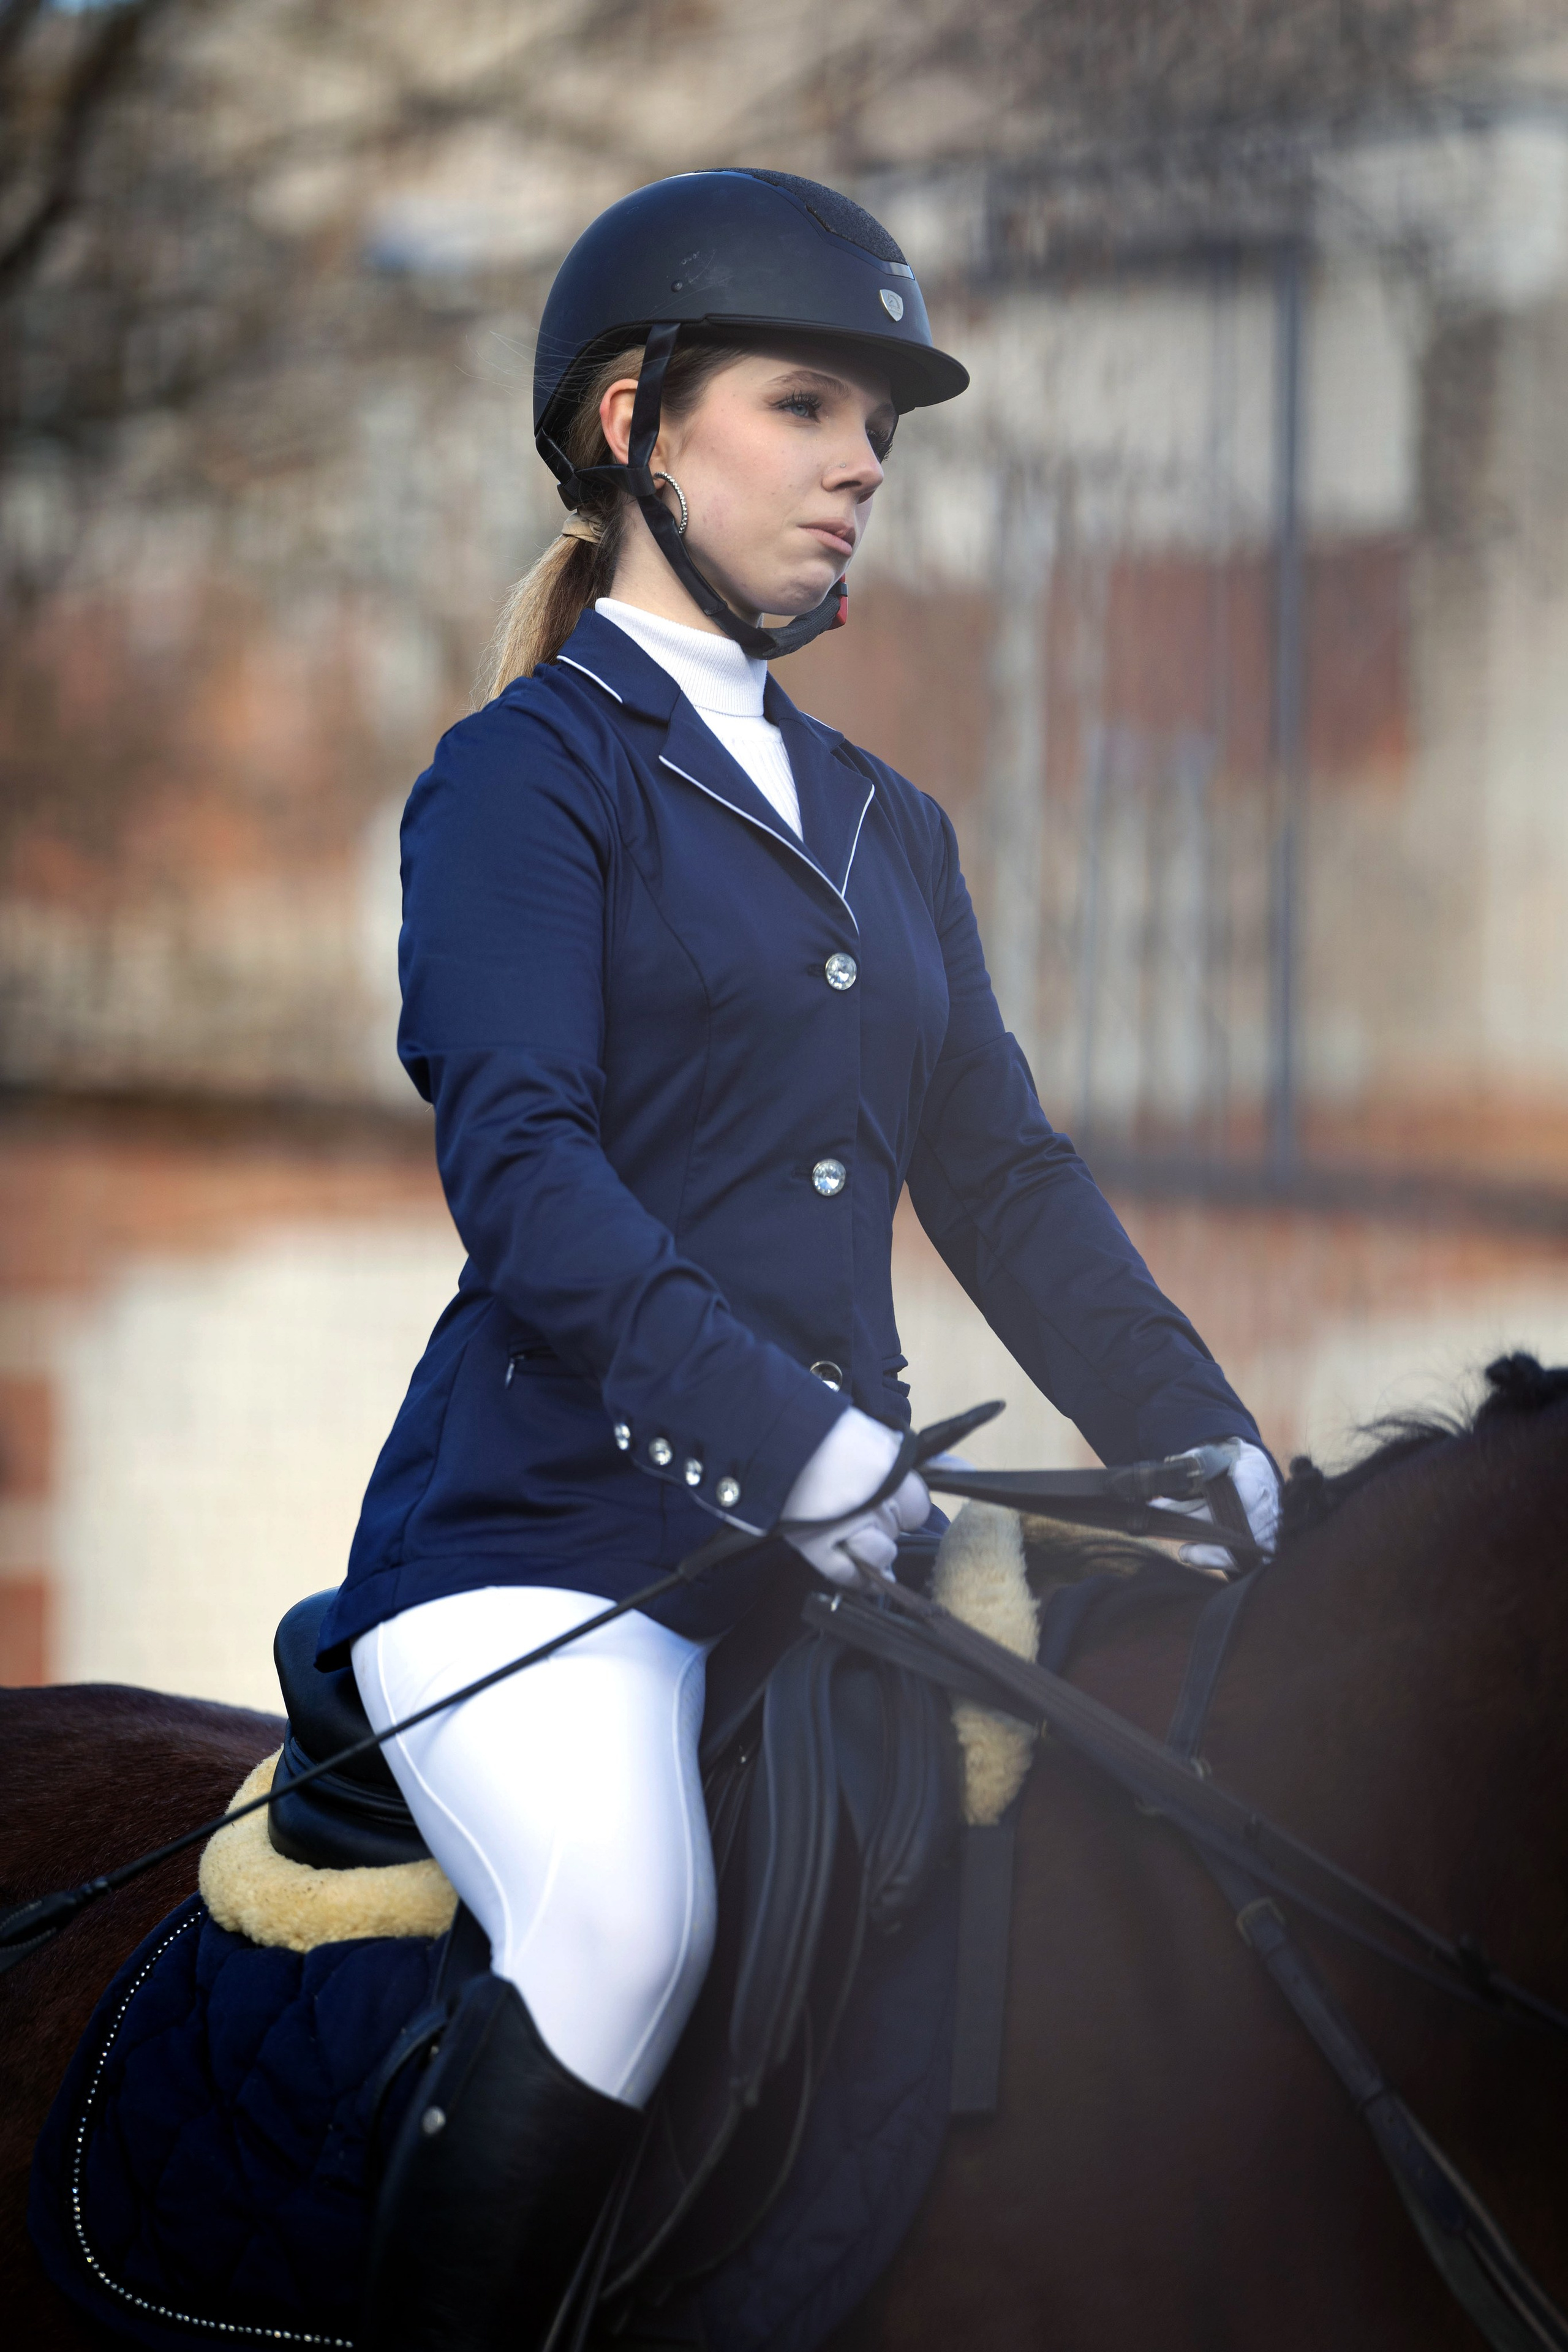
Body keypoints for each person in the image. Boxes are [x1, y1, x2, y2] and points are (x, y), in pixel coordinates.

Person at [314, 168, 1279, 2351]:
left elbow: (1007, 1180)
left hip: (839, 1555)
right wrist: (788, 1436)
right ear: (637, 424)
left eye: (883, 428)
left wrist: (1199, 1435)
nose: (863, 464)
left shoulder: (883, 822)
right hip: (554, 1551)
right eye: (806, 405)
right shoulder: (525, 781)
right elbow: (528, 1169)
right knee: (626, 1925)